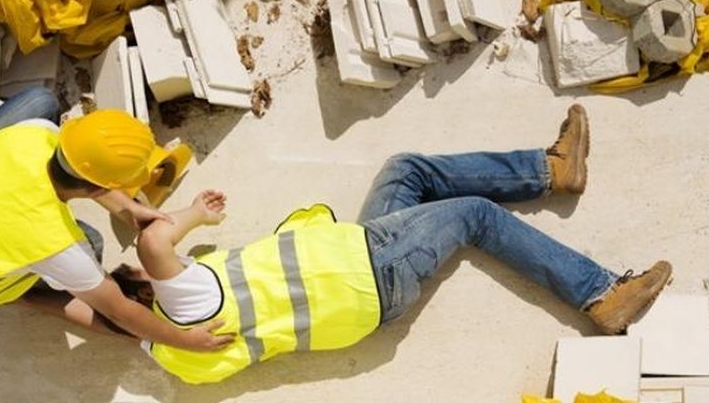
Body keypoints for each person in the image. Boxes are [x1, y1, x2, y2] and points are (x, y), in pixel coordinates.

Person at [133, 104, 672, 384]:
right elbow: (154, 240)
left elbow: (113, 312)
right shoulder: (189, 300)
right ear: (146, 290)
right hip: (370, 269)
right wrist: (193, 215)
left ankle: (553, 170)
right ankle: (600, 294)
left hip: (360, 278)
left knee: (405, 171)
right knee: (475, 216)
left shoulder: (176, 358)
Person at [0, 87, 232, 352]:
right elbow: (119, 312)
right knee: (93, 246)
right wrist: (186, 341)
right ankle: (18, 295)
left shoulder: (35, 134)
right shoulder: (59, 246)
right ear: (101, 187)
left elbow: (83, 172)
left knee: (40, 100)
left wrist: (129, 209)